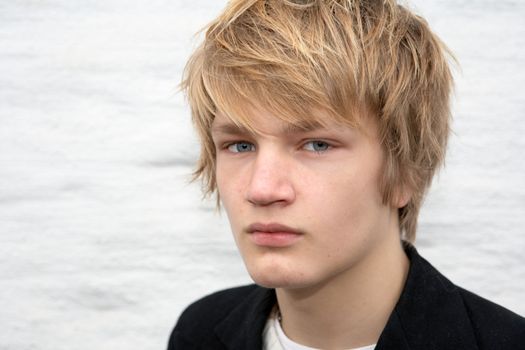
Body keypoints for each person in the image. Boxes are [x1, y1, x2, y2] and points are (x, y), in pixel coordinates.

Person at [168, 0, 525, 349]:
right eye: (240, 146)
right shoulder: (198, 333)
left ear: (406, 171)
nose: (262, 189)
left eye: (317, 145)